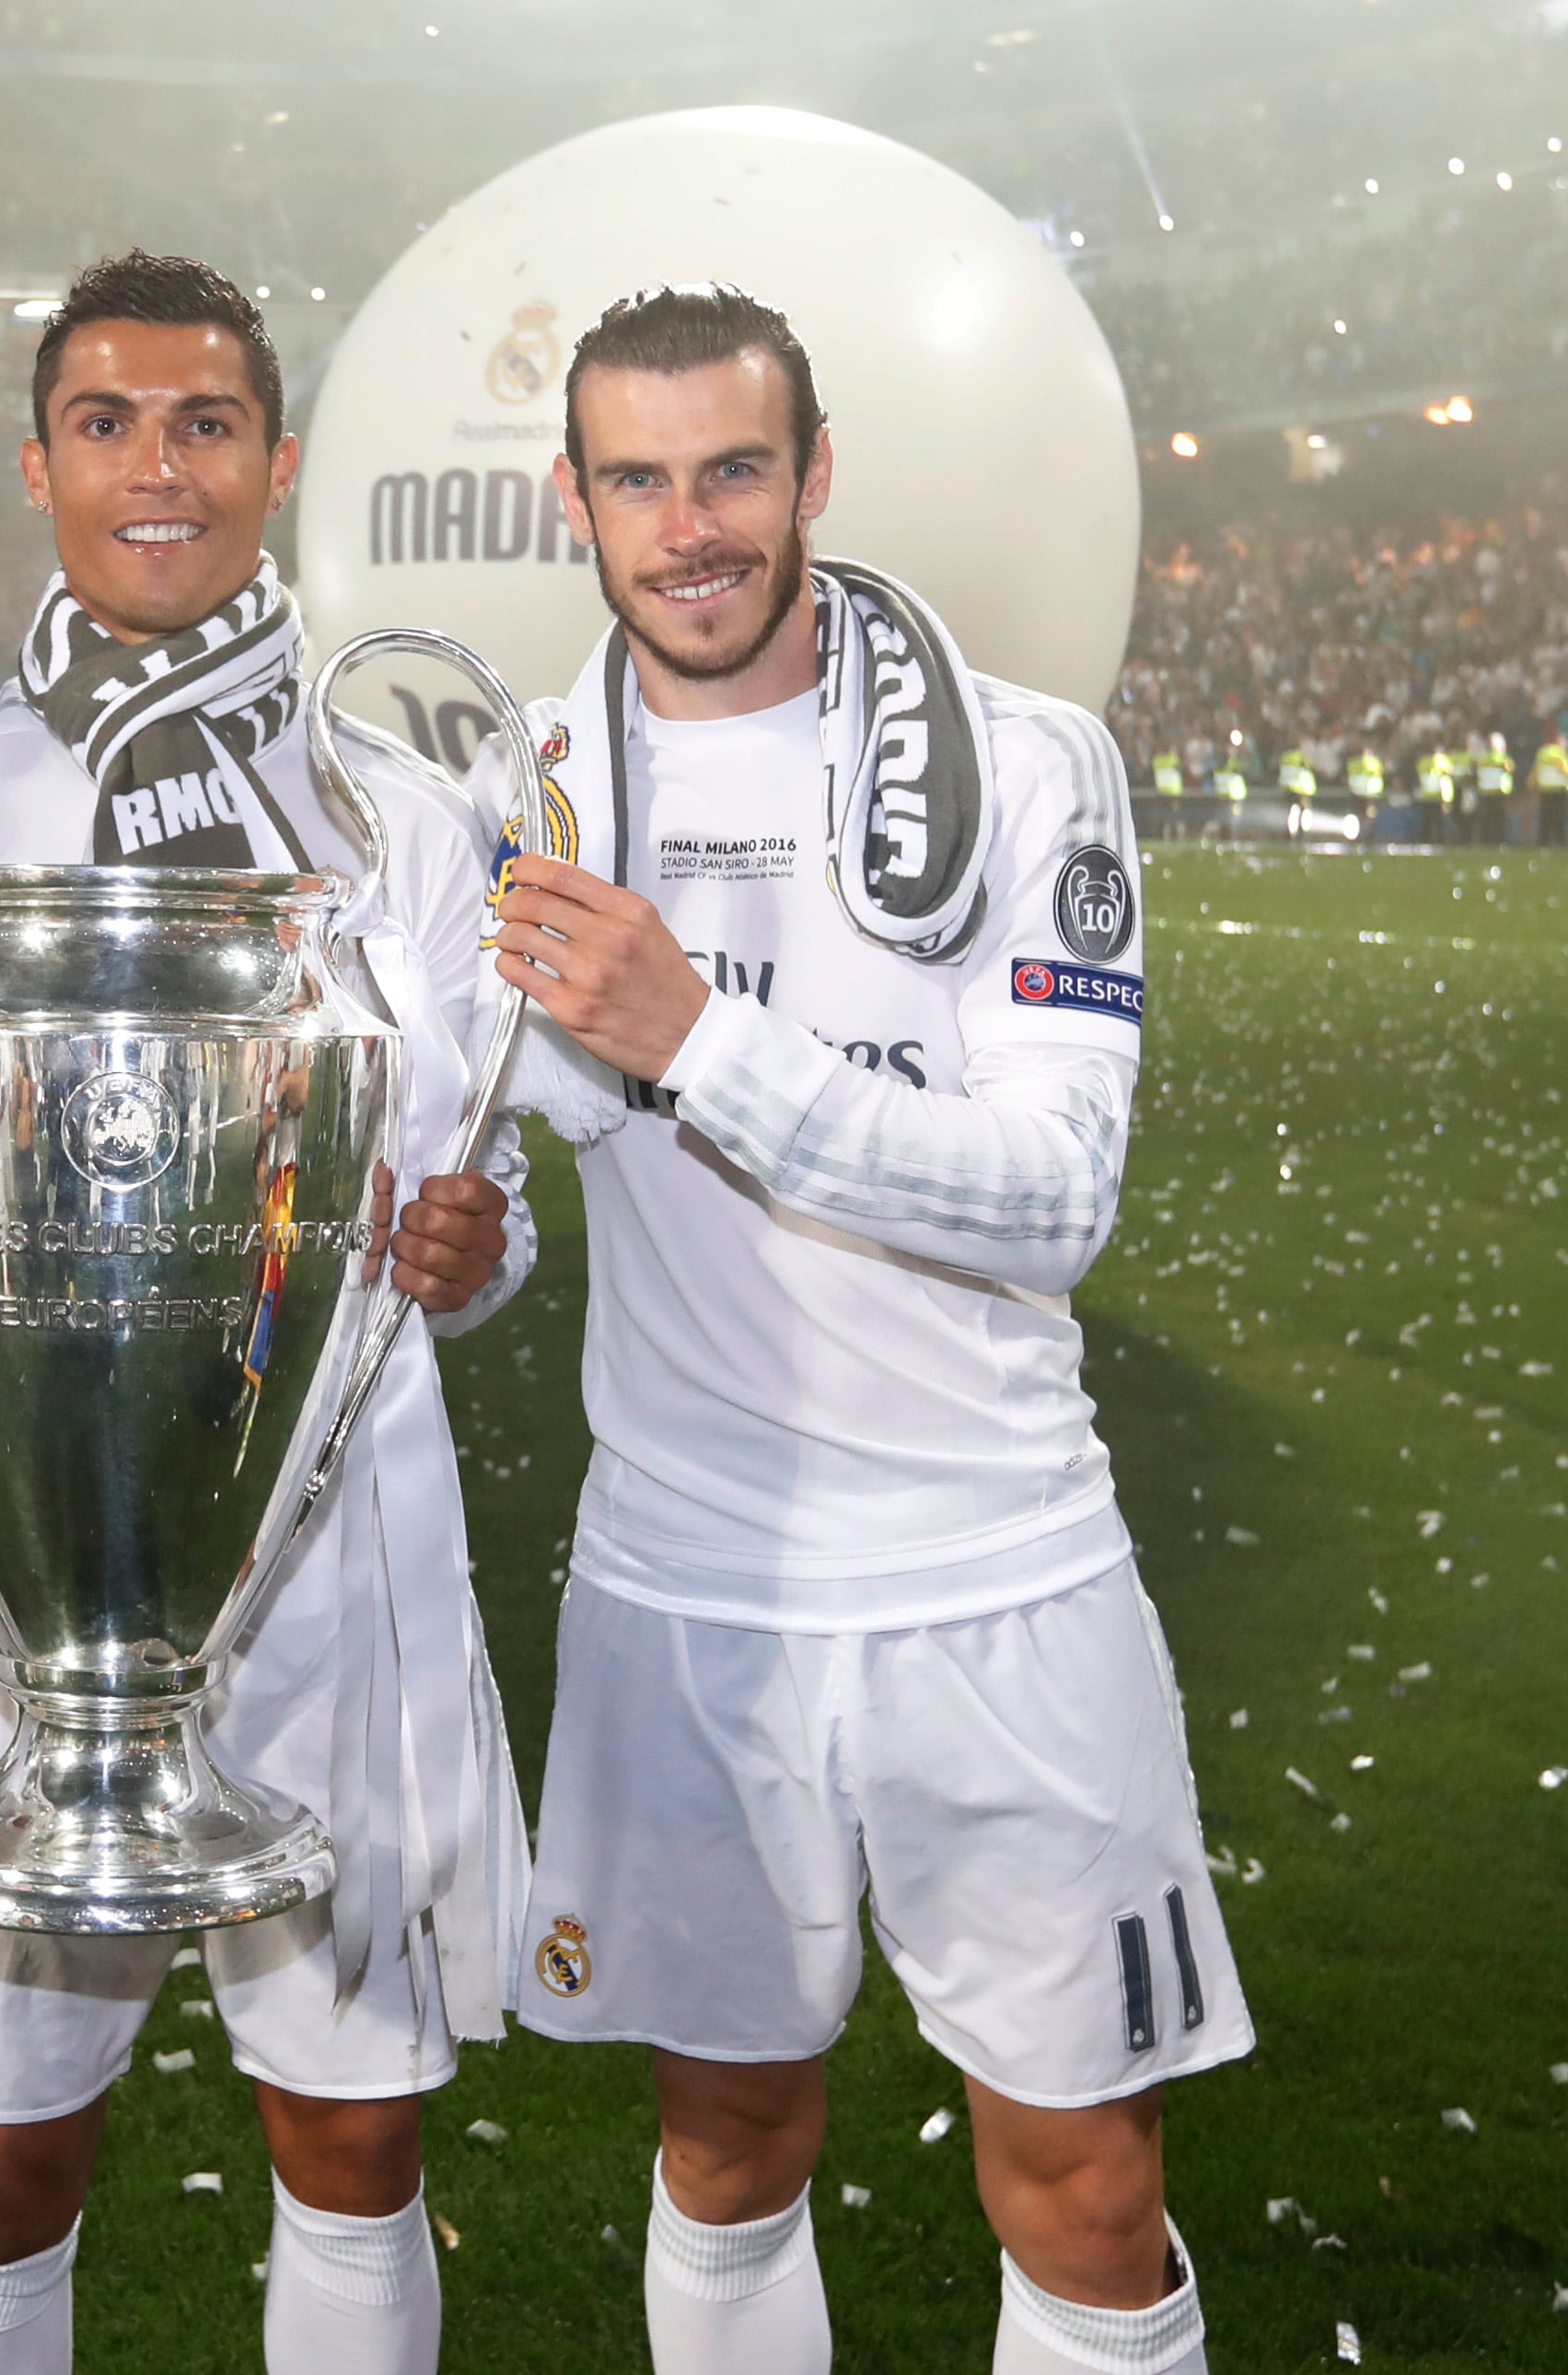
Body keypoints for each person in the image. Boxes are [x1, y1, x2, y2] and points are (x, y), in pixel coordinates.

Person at [0, 252, 531, 2375]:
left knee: (349, 2132)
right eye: (104, 422)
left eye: (199, 425)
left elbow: (484, 1192)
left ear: (271, 462)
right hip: (22, 1574)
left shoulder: (402, 814)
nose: (152, 467)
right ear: (36, 462)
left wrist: (478, 1243)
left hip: (322, 1540)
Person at [476, 285, 1245, 2375]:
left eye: (729, 468)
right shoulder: (523, 784)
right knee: (722, 2144)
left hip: (996, 1571)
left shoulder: (1022, 761)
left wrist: (693, 1037)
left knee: (1082, 2184)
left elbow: (1046, 1196)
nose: (685, 522)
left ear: (810, 473)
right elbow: (499, 1159)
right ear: (572, 501)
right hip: (682, 1578)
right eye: (633, 478)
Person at [1529, 728, 1568, 845]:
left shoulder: (1543, 752)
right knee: (1559, 820)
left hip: (1545, 790)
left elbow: (1536, 770)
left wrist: (1531, 784)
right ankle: (1560, 842)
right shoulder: (1562, 755)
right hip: (1560, 791)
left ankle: (1542, 842)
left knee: (1545, 820)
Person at [1468, 731, 1515, 847]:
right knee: (1494, 820)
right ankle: (1497, 841)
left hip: (1490, 792)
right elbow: (1511, 770)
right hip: (1493, 792)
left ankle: (1488, 841)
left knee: (1490, 820)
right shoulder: (1503, 759)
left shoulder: (1482, 758)